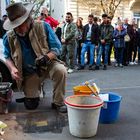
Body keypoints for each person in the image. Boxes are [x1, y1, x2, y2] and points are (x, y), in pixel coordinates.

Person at [2, 2, 67, 113]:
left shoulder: (43, 26)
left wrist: (46, 57)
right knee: (30, 105)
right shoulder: (8, 37)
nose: (17, 29)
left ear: (28, 19)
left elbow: (57, 48)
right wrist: (12, 69)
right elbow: (7, 57)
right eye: (15, 26)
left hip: (48, 64)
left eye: (20, 25)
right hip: (29, 72)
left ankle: (58, 102)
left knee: (61, 70)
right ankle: (36, 92)